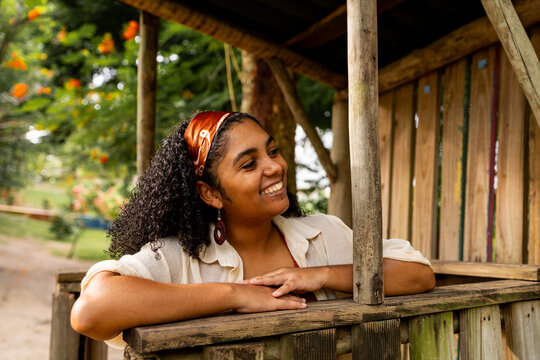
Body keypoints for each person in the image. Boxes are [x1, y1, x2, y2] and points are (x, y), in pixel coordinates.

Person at [71, 111, 435, 347]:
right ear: (211, 193)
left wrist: (322, 275)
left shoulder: (322, 234)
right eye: (249, 164)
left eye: (272, 151)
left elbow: (418, 276)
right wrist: (234, 295)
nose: (274, 167)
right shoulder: (177, 257)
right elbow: (92, 311)